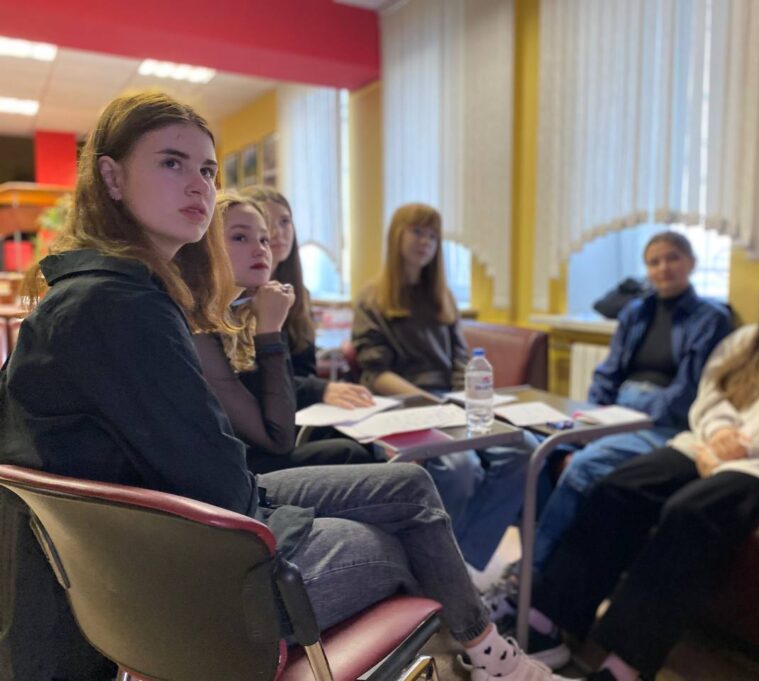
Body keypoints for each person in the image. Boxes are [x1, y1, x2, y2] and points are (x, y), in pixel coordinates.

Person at [0, 92, 571, 681]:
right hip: (193, 579)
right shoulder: (121, 305)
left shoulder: (102, 292)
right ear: (111, 177)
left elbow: (216, 468)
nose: (199, 185)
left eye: (207, 170)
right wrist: (307, 519)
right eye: (171, 162)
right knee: (397, 540)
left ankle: (487, 653)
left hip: (174, 540)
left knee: (409, 483)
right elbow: (226, 485)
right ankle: (492, 658)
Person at [526, 235, 759, 681]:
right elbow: (713, 392)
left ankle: (625, 665)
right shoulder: (749, 339)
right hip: (713, 446)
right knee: (619, 486)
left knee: (689, 512)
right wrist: (719, 433)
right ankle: (546, 619)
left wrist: (746, 442)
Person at [530, 232, 732, 573]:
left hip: (663, 422)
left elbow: (687, 391)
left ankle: (533, 571)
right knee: (541, 451)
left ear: (692, 263)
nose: (663, 268)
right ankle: (551, 557)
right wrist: (593, 416)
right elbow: (608, 373)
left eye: (673, 258)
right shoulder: (636, 312)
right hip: (616, 412)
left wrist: (627, 416)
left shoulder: (711, 318)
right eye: (654, 262)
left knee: (583, 465)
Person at [352, 203, 532, 571]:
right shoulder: (372, 298)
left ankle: (458, 560)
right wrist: (431, 404)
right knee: (461, 467)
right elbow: (376, 372)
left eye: (433, 236)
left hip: (448, 402)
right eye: (417, 232)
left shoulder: (442, 297)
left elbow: (460, 361)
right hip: (401, 402)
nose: (426, 242)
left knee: (524, 447)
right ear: (396, 235)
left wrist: (465, 401)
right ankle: (442, 566)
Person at [192, 193, 376, 472]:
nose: (261, 249)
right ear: (204, 248)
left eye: (263, 240)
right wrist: (270, 331)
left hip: (244, 461)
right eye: (240, 237)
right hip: (219, 474)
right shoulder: (197, 324)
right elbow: (279, 439)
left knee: (358, 450)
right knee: (353, 455)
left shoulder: (240, 314)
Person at [240, 186, 368, 411]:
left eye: (285, 222)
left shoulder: (299, 293)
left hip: (299, 408)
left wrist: (320, 389)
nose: (277, 232)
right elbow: (249, 383)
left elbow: (305, 370)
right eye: (267, 222)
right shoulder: (236, 297)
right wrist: (319, 389)